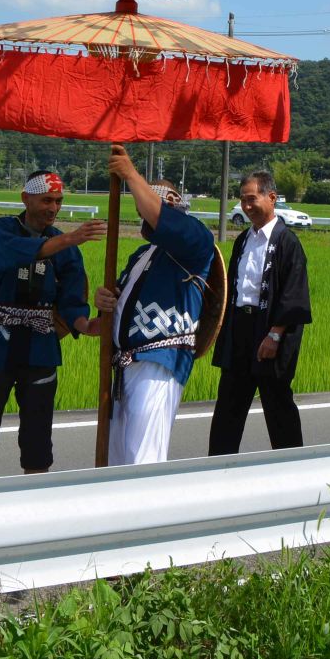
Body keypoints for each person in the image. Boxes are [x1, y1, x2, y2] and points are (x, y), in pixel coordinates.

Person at [0, 173, 105, 479]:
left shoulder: (68, 250)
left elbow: (71, 297)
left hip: (40, 346)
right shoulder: (1, 229)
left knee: (38, 434)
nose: (53, 208)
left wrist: (86, 324)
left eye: (58, 201)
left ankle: (34, 505)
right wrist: (70, 238)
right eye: (46, 200)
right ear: (25, 198)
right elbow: (21, 251)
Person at [97, 148, 221, 467]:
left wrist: (130, 174)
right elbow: (120, 300)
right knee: (118, 455)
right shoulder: (142, 255)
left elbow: (161, 218)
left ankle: (146, 514)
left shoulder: (196, 240)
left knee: (143, 456)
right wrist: (106, 302)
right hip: (126, 363)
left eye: (146, 206)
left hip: (159, 361)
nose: (142, 215)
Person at [208, 170, 313, 454]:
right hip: (240, 327)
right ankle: (217, 468)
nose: (246, 206)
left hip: (270, 330)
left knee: (277, 402)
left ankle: (291, 465)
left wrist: (276, 335)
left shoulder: (287, 242)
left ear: (272, 198)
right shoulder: (243, 240)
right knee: (229, 402)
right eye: (243, 200)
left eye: (252, 199)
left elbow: (294, 293)